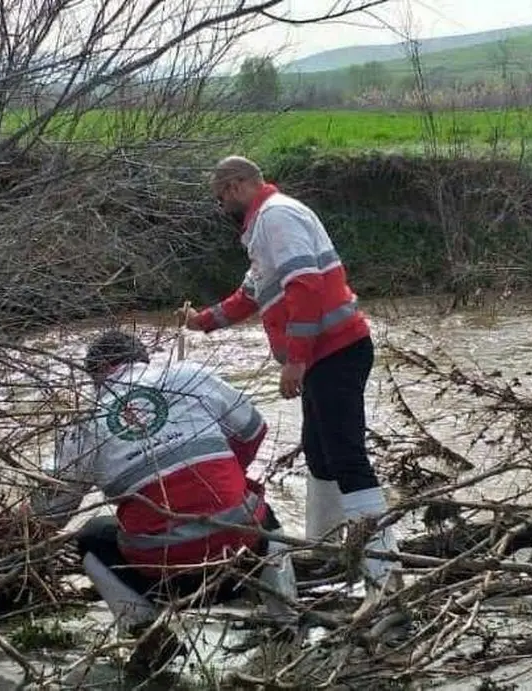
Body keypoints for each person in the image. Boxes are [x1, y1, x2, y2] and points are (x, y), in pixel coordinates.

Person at [178, 155, 400, 610]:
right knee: (319, 455)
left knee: (347, 457)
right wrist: (201, 323)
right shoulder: (263, 227)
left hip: (335, 351)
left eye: (222, 199)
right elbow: (251, 295)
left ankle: (385, 574)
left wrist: (294, 362)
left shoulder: (277, 217)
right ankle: (327, 554)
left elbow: (308, 289)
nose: (223, 209)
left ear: (237, 185)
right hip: (326, 354)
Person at [26, 330, 298, 675]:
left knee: (91, 536)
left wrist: (11, 527)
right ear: (141, 359)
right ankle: (286, 619)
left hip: (163, 576)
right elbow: (254, 429)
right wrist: (229, 471)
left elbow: (52, 510)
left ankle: (150, 636)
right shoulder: (188, 375)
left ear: (97, 373)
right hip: (241, 559)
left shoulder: (85, 422)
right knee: (258, 508)